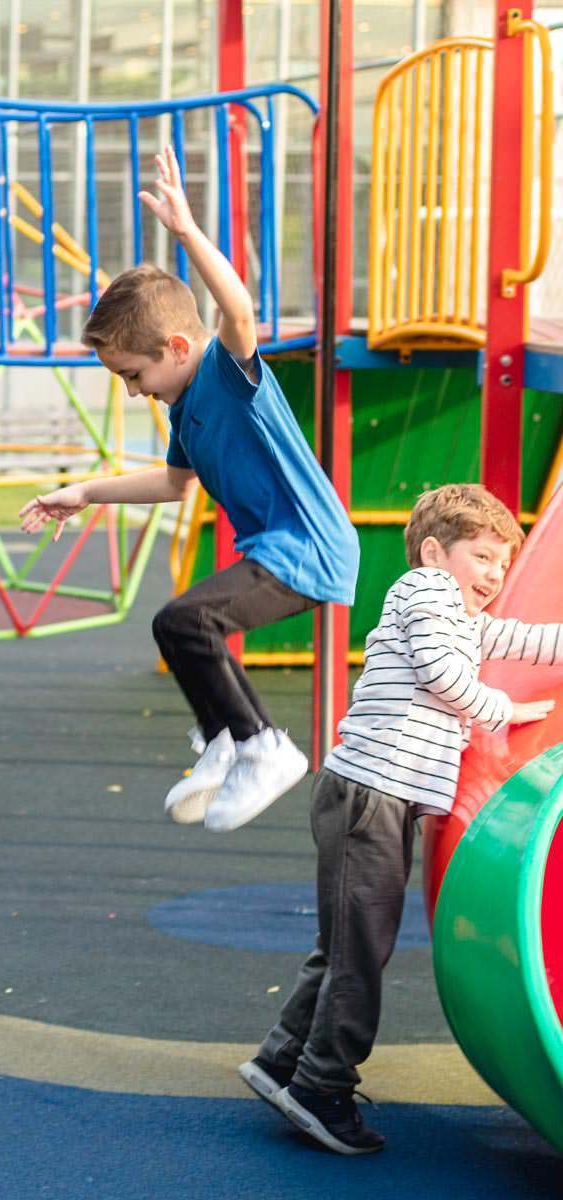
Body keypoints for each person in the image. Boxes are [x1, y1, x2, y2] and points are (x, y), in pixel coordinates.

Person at [20, 145, 359, 833]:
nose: (134, 390)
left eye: (133, 375)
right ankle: (229, 739)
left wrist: (187, 233)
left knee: (184, 621)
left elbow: (236, 308)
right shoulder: (185, 410)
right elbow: (175, 483)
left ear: (176, 347)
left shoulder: (229, 377)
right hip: (281, 550)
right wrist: (85, 492)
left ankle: (264, 747)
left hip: (311, 549)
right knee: (176, 624)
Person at [239, 482, 562, 1155]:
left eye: (505, 563)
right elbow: (444, 674)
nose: (497, 574)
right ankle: (321, 1087)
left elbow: (519, 639)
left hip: (366, 796)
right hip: (370, 798)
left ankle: (281, 1058)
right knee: (362, 953)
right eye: (484, 558)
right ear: (436, 552)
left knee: (343, 944)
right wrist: (503, 713)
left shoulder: (457, 613)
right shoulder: (427, 593)